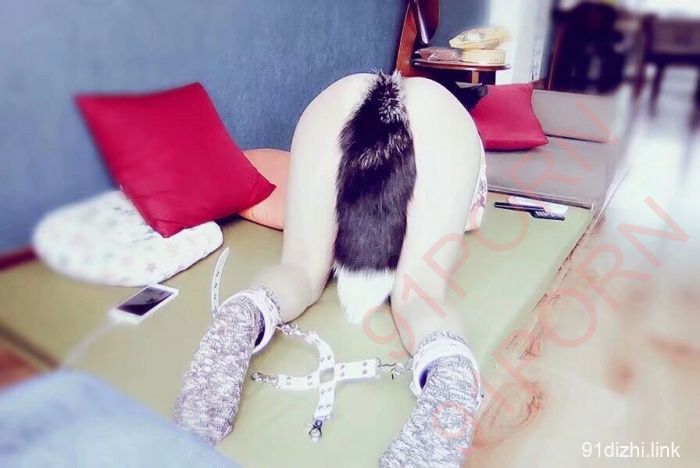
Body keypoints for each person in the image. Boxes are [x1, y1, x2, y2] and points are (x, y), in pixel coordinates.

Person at [174, 71, 486, 467]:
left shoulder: (333, 101)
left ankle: (244, 312)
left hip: (338, 100)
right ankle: (451, 376)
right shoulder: (452, 121)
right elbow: (471, 218)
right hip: (443, 121)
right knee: (419, 294)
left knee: (300, 270)